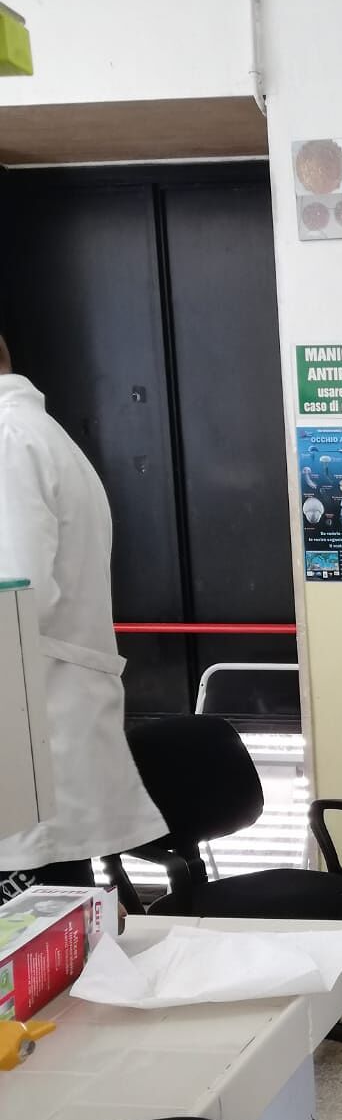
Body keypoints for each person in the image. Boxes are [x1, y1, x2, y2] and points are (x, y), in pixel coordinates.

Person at [0, 333, 165, 896]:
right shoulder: (36, 434)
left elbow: (16, 595)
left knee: (36, 923)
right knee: (57, 914)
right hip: (39, 730)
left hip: (28, 734)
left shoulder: (9, 440)